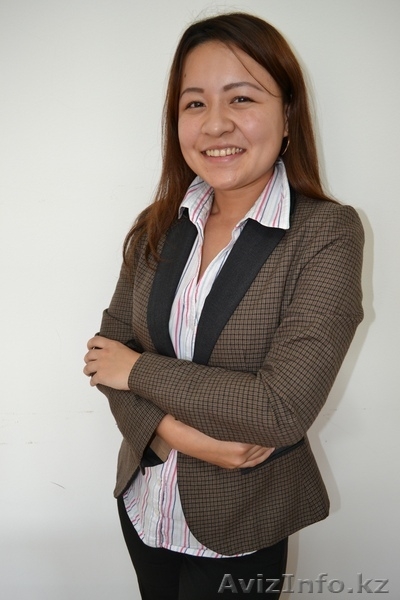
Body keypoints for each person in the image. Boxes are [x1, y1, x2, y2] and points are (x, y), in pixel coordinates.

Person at [83, 12, 364, 599]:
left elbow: (279, 410)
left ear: (288, 114)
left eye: (241, 98)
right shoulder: (159, 223)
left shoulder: (327, 233)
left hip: (240, 523)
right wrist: (177, 436)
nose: (215, 124)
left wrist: (137, 371)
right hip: (144, 502)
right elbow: (105, 354)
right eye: (194, 104)